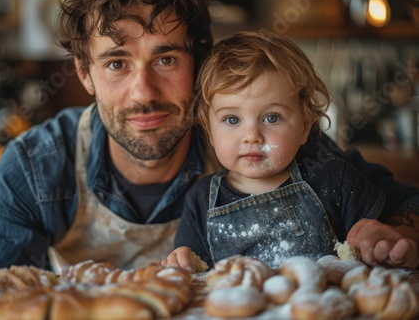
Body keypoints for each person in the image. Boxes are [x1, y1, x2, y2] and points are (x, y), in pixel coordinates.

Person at [0, 0, 419, 282]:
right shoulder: (38, 166)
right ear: (84, 73)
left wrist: (397, 236)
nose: (143, 92)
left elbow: (408, 208)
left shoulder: (269, 140)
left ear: (198, 62)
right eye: (116, 63)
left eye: (166, 59)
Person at [162, 31, 419, 270]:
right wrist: (182, 261)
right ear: (209, 130)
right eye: (231, 120)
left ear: (305, 127)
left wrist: (387, 245)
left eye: (272, 118)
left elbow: (388, 243)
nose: (252, 136)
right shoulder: (201, 201)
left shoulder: (336, 180)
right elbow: (194, 272)